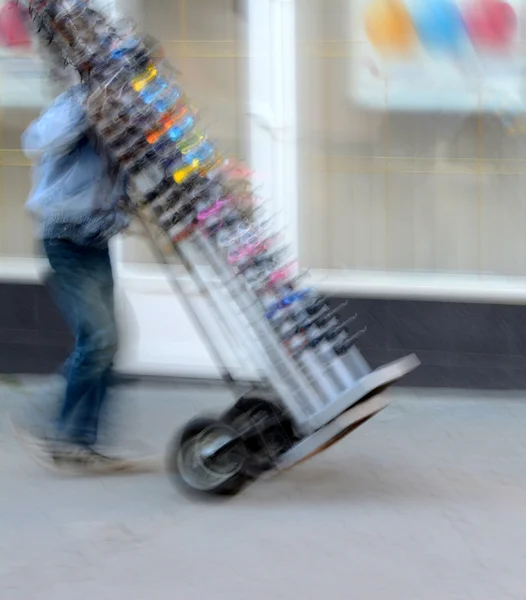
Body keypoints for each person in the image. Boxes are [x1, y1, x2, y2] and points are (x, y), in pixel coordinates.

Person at [17, 81, 132, 473]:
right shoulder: (73, 102)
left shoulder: (127, 116)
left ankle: (80, 440)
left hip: (95, 242)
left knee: (105, 343)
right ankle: (62, 430)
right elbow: (35, 141)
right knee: (100, 339)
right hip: (63, 238)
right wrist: (86, 107)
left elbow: (123, 186)